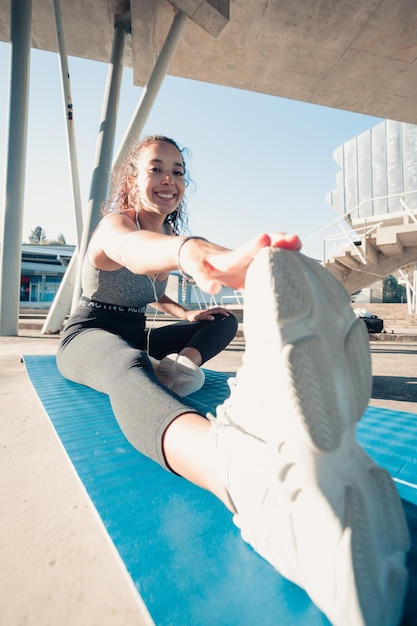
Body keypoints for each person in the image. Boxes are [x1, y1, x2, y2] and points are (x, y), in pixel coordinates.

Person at [57, 135, 409, 626]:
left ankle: (180, 368)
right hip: (90, 336)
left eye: (178, 171)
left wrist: (194, 309)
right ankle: (243, 477)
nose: (169, 180)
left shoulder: (161, 239)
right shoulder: (115, 227)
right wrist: (197, 253)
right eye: (156, 169)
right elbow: (133, 252)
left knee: (220, 319)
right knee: (128, 370)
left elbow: (154, 294)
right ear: (132, 179)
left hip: (140, 332)